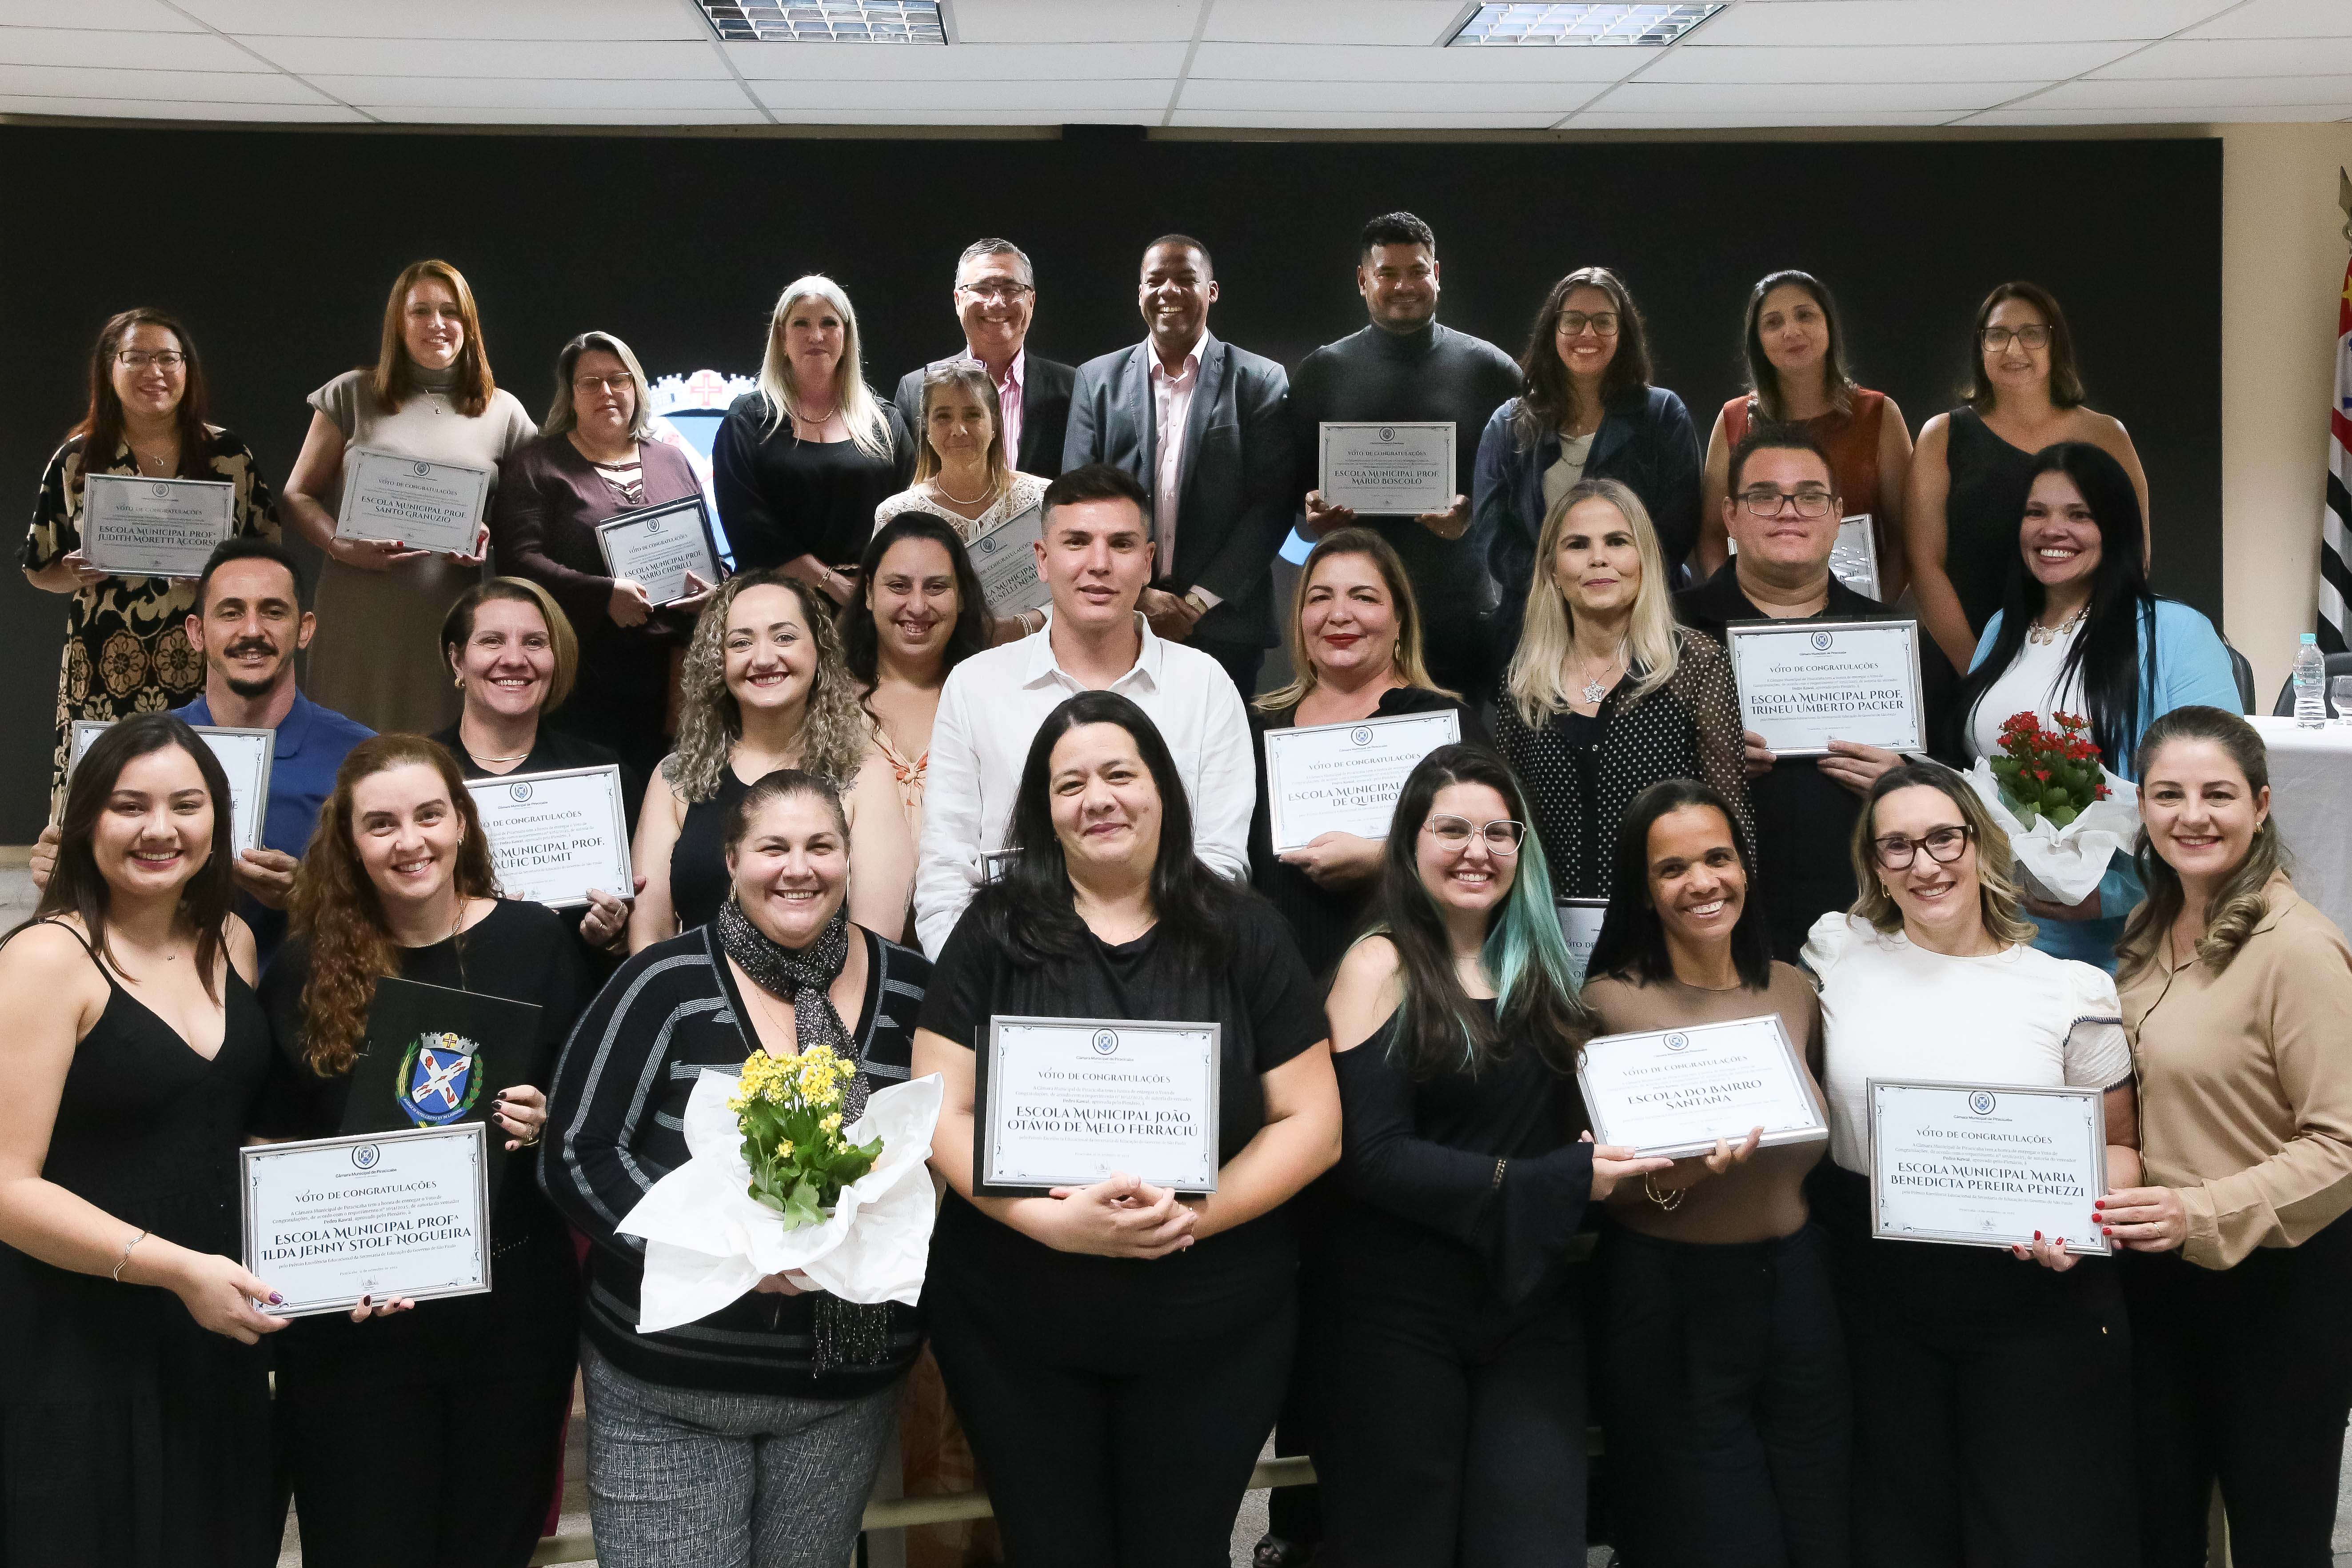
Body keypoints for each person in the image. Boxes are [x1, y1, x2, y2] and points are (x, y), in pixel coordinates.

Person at [912, 690, 1341, 1568]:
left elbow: (1314, 1123)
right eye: (1069, 784)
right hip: (1016, 1326)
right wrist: (1050, 1222)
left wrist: (1190, 1216)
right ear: (1044, 810)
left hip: (1213, 1329)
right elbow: (937, 1110)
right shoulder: (993, 930)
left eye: (1118, 773)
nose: (1097, 798)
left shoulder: (1247, 932)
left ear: (1162, 790)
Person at [542, 768, 934, 1568]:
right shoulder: (662, 982)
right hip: (672, 1386)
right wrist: (729, 1253)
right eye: (772, 847)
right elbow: (576, 1153)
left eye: (821, 846)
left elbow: (943, 1157)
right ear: (730, 861)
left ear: (848, 857)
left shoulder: (913, 991)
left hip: (842, 1385)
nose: (799, 868)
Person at [255, 734, 589, 1568]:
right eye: (382, 824)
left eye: (429, 815)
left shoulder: (536, 940)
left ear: (461, 821)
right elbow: (269, 1139)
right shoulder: (302, 967)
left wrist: (545, 1117)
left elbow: (585, 1109)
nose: (411, 841)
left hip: (511, 1319)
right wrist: (323, 1272)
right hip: (357, 1329)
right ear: (349, 840)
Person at [1311, 745, 1649, 1568]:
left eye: (1499, 832)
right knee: (1400, 1542)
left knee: (1534, 1542)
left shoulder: (1542, 969)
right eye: (1452, 829)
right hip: (1395, 1309)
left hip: (1527, 1301)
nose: (1478, 850)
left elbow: (1559, 1125)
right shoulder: (1379, 962)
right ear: (1410, 842)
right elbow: (1373, 1157)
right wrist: (1553, 1179)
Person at [1803, 762, 2140, 1567]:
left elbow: (2120, 1148)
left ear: (1979, 842)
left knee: (2031, 1531)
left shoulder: (2069, 990)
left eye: (1942, 839)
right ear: (1874, 863)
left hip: (2029, 1295)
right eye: (1896, 846)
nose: (1923, 864)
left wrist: (2079, 1225)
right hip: (1877, 1294)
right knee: (1899, 1531)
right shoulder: (1837, 951)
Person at [0, 714, 284, 1567]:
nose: (161, 828)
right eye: (131, 805)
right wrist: (177, 1268)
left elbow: (227, 1124)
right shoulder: (47, 958)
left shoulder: (231, 938)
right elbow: (7, 1185)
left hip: (212, 1335)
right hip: (76, 1341)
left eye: (186, 805)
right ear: (87, 819)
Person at [2099, 708, 2352, 1567]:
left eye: (2217, 793)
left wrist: (2196, 1211)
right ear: (2141, 805)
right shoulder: (2145, 927)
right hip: (2157, 1280)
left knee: (2277, 1539)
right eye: (2167, 794)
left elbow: (2341, 1144)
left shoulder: (2298, 949)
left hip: (2277, 1287)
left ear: (2260, 804)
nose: (2191, 815)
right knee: (2159, 1530)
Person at [1581, 778, 1847, 1568]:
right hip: (1670, 1298)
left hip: (1797, 1292)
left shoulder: (1793, 990)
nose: (1701, 882)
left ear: (1744, 867)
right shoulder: (1606, 1005)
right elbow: (1598, 1187)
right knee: (1714, 1541)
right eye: (1672, 868)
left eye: (1717, 858)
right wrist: (1689, 1174)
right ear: (1643, 889)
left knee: (1820, 1528)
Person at [914, 464, 1254, 957]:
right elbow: (946, 874)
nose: (1099, 564)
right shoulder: (975, 686)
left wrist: (1149, 977)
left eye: (1121, 544)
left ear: (1148, 562)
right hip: (1009, 972)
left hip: (1167, 972)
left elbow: (1219, 864)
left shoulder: (1204, 685)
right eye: (1076, 542)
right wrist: (976, 981)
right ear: (1041, 559)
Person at [1954, 441, 2238, 969]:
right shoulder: (1999, 630)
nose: (2052, 530)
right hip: (1994, 922)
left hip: (2127, 937)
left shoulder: (2177, 632)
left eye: (2078, 515)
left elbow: (2222, 797)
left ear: (2115, 527)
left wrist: (2113, 894)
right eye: (2035, 513)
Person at [32, 537, 377, 959]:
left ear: (304, 629)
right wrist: (66, 871)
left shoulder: (363, 756)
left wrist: (312, 893)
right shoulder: (132, 751)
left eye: (273, 611)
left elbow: (408, 902)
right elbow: (91, 908)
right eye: (231, 613)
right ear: (196, 633)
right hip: (157, 988)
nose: (252, 631)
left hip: (309, 989)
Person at [1676, 425, 1943, 960]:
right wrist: (1702, 761)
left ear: (1837, 514)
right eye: (1764, 496)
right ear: (1730, 515)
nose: (1789, 512)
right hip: (1712, 928)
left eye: (1810, 496)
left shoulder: (1895, 640)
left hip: (1875, 931)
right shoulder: (1673, 633)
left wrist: (1905, 781)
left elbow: (1959, 780)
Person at [22, 307, 281, 805]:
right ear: (110, 367)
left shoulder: (229, 455)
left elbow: (268, 555)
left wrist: (220, 582)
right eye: (136, 358)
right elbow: (39, 568)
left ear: (187, 368)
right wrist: (72, 575)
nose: (154, 371)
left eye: (168, 358)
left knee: (203, 787)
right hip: (104, 661)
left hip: (207, 653)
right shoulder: (77, 459)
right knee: (104, 792)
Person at [279, 258, 537, 735]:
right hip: (358, 613)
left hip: (448, 619)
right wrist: (339, 545)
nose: (437, 323)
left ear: (469, 323)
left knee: (440, 757)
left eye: (450, 311)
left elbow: (529, 521)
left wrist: (487, 537)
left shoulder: (504, 412)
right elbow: (298, 495)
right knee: (348, 753)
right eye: (421, 311)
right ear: (398, 323)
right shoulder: (352, 394)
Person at [1289, 212, 1522, 697]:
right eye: (1387, 273)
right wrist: (1312, 518)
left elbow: (1525, 493)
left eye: (1416, 271)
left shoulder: (1492, 371)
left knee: (1460, 742)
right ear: (1362, 280)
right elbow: (1292, 494)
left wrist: (1472, 518)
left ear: (1436, 274)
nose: (1403, 286)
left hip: (1459, 613)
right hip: (1353, 619)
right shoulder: (1321, 373)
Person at [629, 571, 915, 949]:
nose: (763, 658)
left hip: (833, 988)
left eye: (784, 638)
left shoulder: (866, 777)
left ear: (819, 652)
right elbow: (649, 938)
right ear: (719, 661)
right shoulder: (676, 777)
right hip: (695, 986)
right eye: (741, 643)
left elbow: (875, 947)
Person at [1494, 478, 1749, 901]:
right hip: (1551, 925)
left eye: (1616, 542)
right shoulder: (1523, 683)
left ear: (1644, 559)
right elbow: (1509, 828)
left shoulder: (1696, 663)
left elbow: (1731, 820)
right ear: (1553, 570)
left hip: (1666, 921)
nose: (1598, 559)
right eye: (1577, 545)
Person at [1250, 526, 1485, 979]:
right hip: (1281, 986)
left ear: (1399, 620)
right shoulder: (1257, 731)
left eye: (1364, 597)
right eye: (1320, 598)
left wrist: (1384, 860)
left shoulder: (1448, 727)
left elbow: (1497, 847)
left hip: (1420, 983)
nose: (1339, 614)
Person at [1064, 234, 1294, 696]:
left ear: (1212, 291)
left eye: (1186, 279)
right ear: (1140, 293)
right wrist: (1137, 596)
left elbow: (1272, 505)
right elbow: (1076, 502)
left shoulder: (1259, 380)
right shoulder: (1096, 380)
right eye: (1155, 281)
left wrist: (1195, 603)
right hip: (1119, 621)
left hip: (1225, 626)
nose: (1168, 290)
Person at [490, 329, 715, 777]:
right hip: (584, 674)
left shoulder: (670, 460)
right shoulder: (537, 464)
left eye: (618, 379)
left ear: (636, 387)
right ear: (570, 395)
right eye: (590, 382)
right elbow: (518, 561)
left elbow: (705, 548)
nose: (606, 392)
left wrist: (714, 589)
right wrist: (603, 594)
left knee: (671, 795)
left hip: (674, 676)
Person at [1907, 281, 2152, 674]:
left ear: (2056, 344)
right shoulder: (1942, 436)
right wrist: (1978, 670)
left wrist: (2077, 662)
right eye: (1997, 335)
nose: (2013, 349)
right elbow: (1924, 565)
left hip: (2081, 666)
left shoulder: (2106, 435)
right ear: (1980, 346)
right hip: (1963, 666)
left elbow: (2131, 556)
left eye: (2031, 334)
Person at [1477, 265, 1702, 658]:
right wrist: (1565, 588)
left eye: (1603, 321)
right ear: (1552, 330)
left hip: (1645, 626)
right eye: (1572, 321)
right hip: (1536, 628)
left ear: (1623, 332)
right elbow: (1493, 536)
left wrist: (1608, 593)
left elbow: (1676, 528)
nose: (1587, 333)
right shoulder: (1508, 423)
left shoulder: (1663, 414)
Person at [431, 577, 644, 949]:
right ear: (457, 659)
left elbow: (645, 927)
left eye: (534, 642)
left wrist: (614, 937)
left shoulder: (602, 776)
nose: (515, 659)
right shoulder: (416, 773)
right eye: (492, 641)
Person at [1695, 270, 1915, 599]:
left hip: (1860, 610)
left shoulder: (1879, 414)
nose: (1791, 331)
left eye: (1805, 315)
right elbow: (1712, 535)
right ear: (1757, 341)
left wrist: (1871, 613)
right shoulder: (1733, 418)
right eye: (1773, 323)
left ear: (1828, 325)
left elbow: (1906, 537)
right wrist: (1735, 606)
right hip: (1752, 612)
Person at [712, 275, 911, 607]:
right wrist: (831, 582)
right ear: (782, 337)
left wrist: (875, 588)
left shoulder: (885, 421)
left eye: (829, 323)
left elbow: (910, 514)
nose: (816, 336)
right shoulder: (747, 420)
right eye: (801, 323)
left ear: (847, 335)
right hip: (775, 606)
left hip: (870, 605)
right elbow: (748, 525)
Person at [841, 513, 993, 852]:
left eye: (936, 587)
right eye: (898, 586)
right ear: (868, 593)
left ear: (962, 597)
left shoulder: (990, 700)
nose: (918, 605)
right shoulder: (826, 702)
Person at [875, 358, 1050, 643]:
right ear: (926, 428)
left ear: (995, 423)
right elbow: (883, 606)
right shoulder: (897, 515)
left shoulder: (1042, 499)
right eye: (943, 417)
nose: (959, 430)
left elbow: (1074, 590)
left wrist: (1026, 624)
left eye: (972, 415)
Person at [891, 238, 1076, 480]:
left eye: (1011, 289)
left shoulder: (1072, 388)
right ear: (958, 300)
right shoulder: (917, 389)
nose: (997, 302)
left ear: (1031, 301)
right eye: (982, 289)